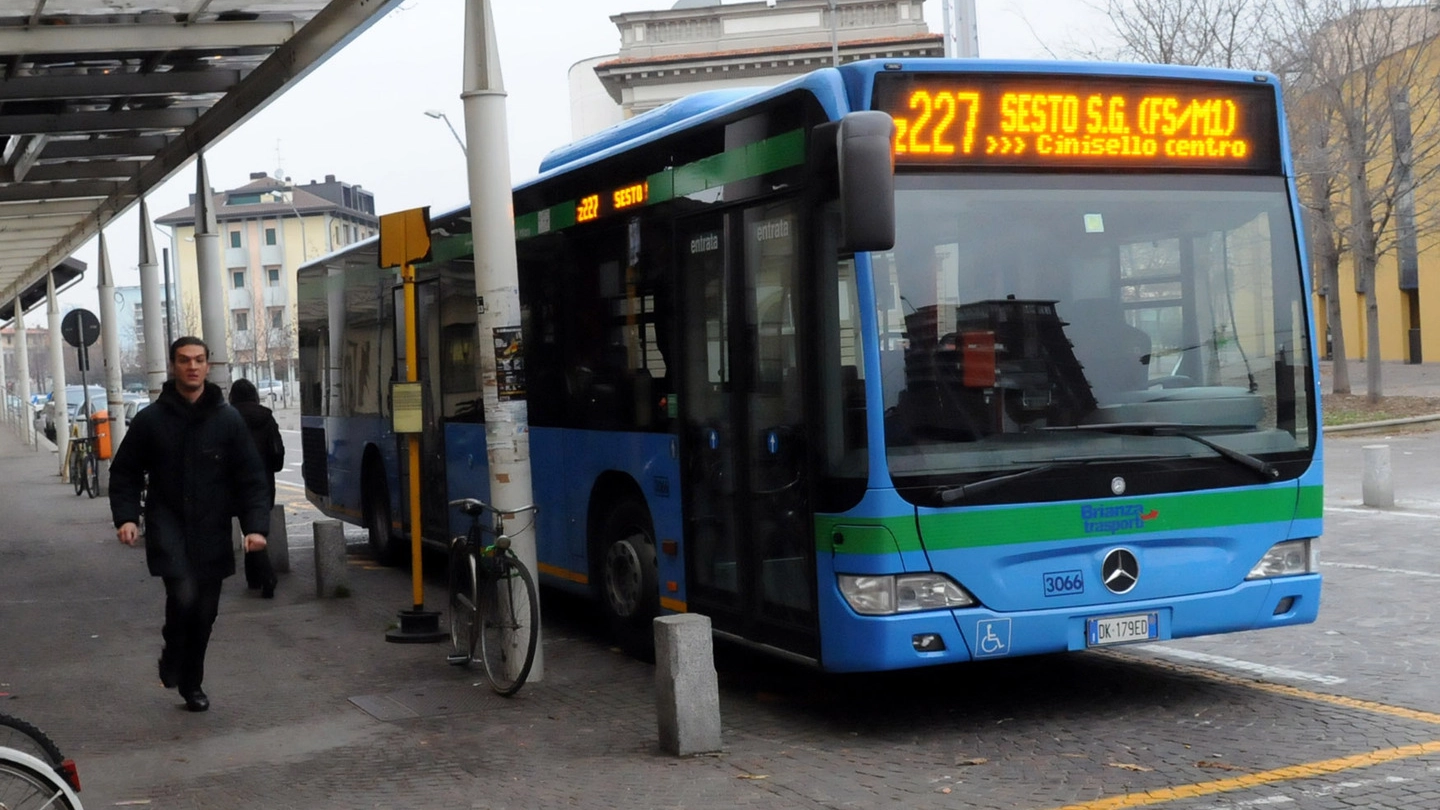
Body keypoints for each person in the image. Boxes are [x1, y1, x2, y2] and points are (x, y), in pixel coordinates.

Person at [109, 337, 270, 713]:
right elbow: (125, 472)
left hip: (213, 528)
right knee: (183, 595)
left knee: (206, 611)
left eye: (199, 360)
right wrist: (128, 518)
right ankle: (176, 653)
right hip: (168, 524)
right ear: (173, 366)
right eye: (184, 360)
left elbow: (251, 478)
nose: (192, 367)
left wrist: (255, 527)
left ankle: (190, 679)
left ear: (208, 366)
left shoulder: (227, 420)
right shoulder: (152, 420)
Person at [228, 378, 284, 598]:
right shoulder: (267, 418)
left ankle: (266, 576)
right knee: (255, 529)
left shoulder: (227, 418)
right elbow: (277, 453)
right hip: (263, 483)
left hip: (236, 484)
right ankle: (255, 578)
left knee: (249, 529)